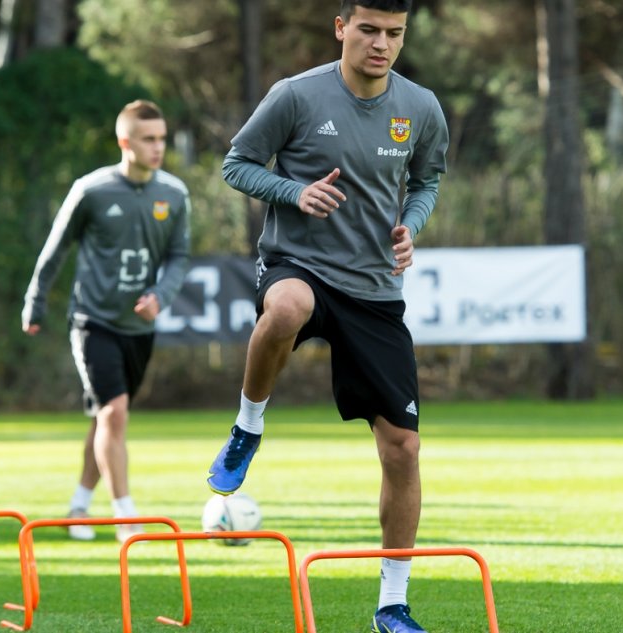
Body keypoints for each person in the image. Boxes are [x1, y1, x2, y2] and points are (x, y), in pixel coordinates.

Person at [203, 2, 448, 631]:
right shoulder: (295, 96)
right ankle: (247, 427)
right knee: (288, 306)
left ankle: (392, 604)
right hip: (299, 262)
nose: (381, 44)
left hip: (374, 287)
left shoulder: (421, 107)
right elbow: (236, 164)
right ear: (341, 28)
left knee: (404, 448)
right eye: (368, 30)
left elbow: (426, 182)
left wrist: (411, 226)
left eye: (394, 33)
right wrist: (295, 192)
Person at [22, 100, 191, 543]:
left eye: (161, 139)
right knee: (114, 414)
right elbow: (56, 248)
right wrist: (35, 302)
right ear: (124, 142)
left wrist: (161, 295)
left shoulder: (174, 194)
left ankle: (79, 505)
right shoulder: (91, 190)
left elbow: (179, 255)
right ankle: (124, 514)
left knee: (105, 419)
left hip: (140, 328)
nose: (158, 147)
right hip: (92, 320)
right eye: (148, 139)